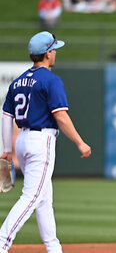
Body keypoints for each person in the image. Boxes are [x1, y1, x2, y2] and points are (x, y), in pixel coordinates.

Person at [0, 31, 92, 253]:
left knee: (43, 200)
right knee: (31, 198)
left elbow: (6, 116)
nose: (55, 53)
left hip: (22, 139)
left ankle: (54, 248)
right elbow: (61, 116)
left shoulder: (18, 81)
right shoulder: (51, 80)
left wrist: (6, 150)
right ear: (48, 53)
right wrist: (80, 142)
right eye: (54, 49)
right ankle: (2, 243)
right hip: (41, 141)